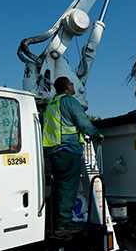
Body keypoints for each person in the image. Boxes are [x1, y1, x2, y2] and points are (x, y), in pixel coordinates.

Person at [42, 76, 103, 226]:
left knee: (59, 185)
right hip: (68, 149)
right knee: (69, 186)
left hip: (54, 151)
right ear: (67, 87)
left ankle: (56, 220)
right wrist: (97, 134)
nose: (73, 85)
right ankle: (64, 222)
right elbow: (83, 123)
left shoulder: (52, 104)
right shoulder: (70, 101)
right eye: (71, 83)